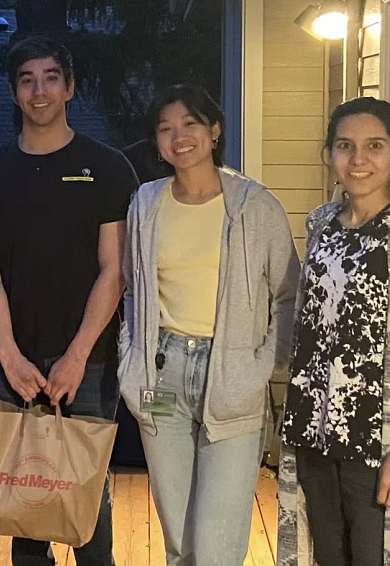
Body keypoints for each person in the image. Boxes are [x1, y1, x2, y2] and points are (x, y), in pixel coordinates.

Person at [0, 36, 138, 566]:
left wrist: (78, 354)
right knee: (28, 492)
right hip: (13, 360)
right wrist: (9, 357)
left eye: (50, 78)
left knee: (89, 492)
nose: (40, 91)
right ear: (14, 93)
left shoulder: (106, 168)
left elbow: (116, 269)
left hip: (90, 359)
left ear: (69, 86)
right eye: (27, 80)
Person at [118, 84, 299, 566]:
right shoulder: (146, 204)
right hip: (162, 377)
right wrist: (130, 365)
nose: (179, 137)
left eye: (190, 124)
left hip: (231, 377)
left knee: (217, 544)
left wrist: (260, 368)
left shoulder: (254, 207)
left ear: (215, 131)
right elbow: (133, 290)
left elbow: (288, 295)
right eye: (165, 128)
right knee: (179, 537)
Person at [277, 97, 390, 566]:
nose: (359, 160)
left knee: (375, 556)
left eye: (374, 146)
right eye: (345, 146)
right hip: (314, 427)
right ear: (331, 153)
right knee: (329, 555)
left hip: (375, 435)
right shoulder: (321, 223)